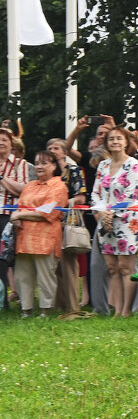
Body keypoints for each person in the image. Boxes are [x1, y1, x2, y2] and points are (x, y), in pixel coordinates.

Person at [91, 127, 138, 317]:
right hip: (105, 222)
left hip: (127, 221)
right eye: (111, 139)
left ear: (125, 142)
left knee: (125, 267)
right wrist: (102, 213)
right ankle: (116, 310)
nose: (115, 142)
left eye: (119, 138)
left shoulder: (133, 164)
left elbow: (131, 193)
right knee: (112, 268)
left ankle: (126, 311)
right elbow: (95, 193)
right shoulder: (102, 166)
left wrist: (112, 213)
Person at [11, 150, 69, 317]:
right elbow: (21, 206)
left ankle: (46, 310)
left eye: (44, 163)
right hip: (24, 238)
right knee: (23, 276)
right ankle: (26, 310)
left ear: (53, 166)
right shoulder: (30, 185)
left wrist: (20, 215)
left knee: (45, 277)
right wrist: (17, 217)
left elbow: (48, 213)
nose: (39, 166)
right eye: (36, 163)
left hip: (46, 239)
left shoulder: (59, 186)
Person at [46, 138, 89, 313]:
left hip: (67, 223)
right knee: (52, 267)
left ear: (65, 152)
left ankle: (72, 307)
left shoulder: (74, 171)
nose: (52, 150)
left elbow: (81, 197)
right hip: (48, 223)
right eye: (49, 148)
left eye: (56, 148)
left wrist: (61, 203)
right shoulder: (46, 174)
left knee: (69, 266)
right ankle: (57, 305)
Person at [0, 125, 34, 308]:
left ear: (11, 143)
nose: (0, 143)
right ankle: (2, 300)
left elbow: (24, 190)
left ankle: (15, 300)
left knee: (6, 258)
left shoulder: (20, 164)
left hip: (9, 216)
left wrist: (2, 179)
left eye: (4, 140)